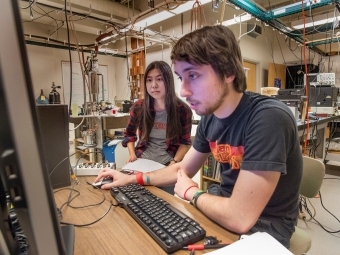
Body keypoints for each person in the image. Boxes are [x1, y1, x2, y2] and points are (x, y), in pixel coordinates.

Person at [95, 25, 302, 248]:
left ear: (229, 72)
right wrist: (132, 178)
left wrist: (193, 193)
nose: (183, 91)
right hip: (221, 204)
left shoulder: (268, 118)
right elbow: (182, 169)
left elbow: (240, 218)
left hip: (264, 226)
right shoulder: (211, 118)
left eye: (193, 75)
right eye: (180, 77)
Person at [121, 60, 193, 194]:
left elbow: (185, 142)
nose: (154, 85)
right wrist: (132, 154)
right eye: (149, 80)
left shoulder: (183, 110)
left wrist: (174, 161)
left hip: (167, 164)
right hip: (141, 160)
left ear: (168, 81)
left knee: (163, 203)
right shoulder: (139, 107)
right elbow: (129, 134)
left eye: (159, 79)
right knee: (133, 198)